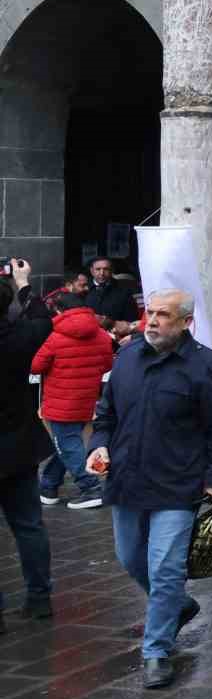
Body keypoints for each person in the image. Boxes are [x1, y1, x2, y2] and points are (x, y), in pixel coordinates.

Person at [88, 289, 212, 690]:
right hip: (126, 480)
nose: (151, 321)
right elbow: (106, 415)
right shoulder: (126, 359)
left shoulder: (206, 366)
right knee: (129, 558)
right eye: (149, 313)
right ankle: (178, 605)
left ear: (186, 322)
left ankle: (156, 650)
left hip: (177, 483)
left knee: (165, 568)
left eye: (162, 315)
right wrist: (98, 445)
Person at [0, 259, 55, 632]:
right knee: (29, 526)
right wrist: (23, 284)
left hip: (16, 447)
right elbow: (42, 320)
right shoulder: (19, 338)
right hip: (18, 449)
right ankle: (39, 599)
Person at [32, 293, 115, 509]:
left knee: (67, 446)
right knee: (67, 444)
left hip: (60, 402)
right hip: (86, 399)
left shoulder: (56, 337)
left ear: (59, 311)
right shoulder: (102, 335)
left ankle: (90, 488)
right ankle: (48, 486)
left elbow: (36, 366)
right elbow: (107, 364)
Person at [86, 256, 139, 333]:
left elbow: (132, 320)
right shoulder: (84, 289)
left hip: (117, 334)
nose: (102, 273)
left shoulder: (124, 291)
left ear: (112, 270)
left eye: (106, 269)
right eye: (98, 269)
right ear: (92, 271)